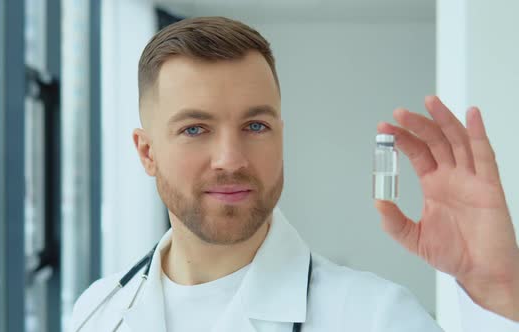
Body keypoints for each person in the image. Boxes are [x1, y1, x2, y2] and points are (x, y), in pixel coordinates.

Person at [70, 16, 519, 331]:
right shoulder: (98, 311)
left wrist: (498, 290)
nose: (230, 158)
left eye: (255, 126)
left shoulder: (375, 318)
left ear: (282, 137)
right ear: (147, 152)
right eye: (195, 129)